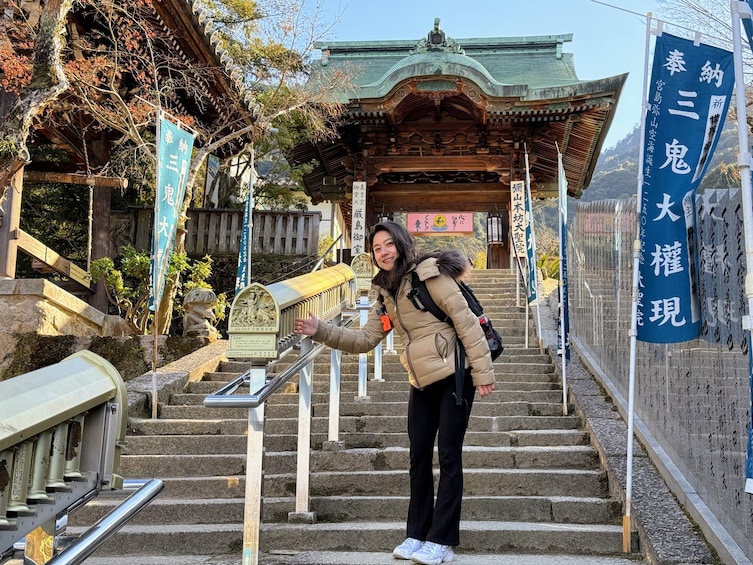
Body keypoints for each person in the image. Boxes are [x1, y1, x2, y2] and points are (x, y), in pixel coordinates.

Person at [294, 220, 495, 565]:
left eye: (388, 244)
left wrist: (482, 372)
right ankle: (417, 533)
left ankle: (442, 541)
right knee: (418, 456)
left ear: (401, 243)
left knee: (448, 455)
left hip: (454, 375)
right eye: (376, 248)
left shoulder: (432, 275)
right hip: (420, 380)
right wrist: (320, 330)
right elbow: (365, 339)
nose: (383, 252)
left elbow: (465, 323)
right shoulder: (385, 292)